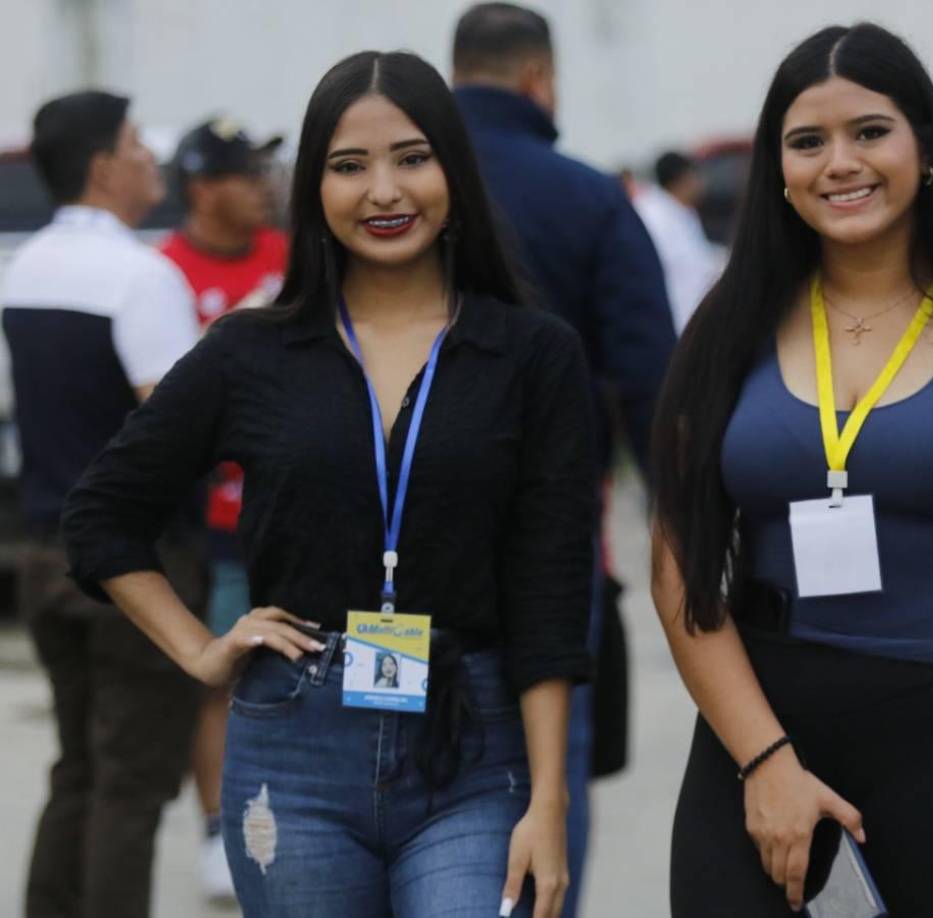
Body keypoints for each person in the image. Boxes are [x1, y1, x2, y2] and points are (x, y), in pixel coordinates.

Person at [61, 51, 594, 918]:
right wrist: (201, 649)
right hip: (292, 757)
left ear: (454, 170)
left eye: (412, 158)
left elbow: (552, 591)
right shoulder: (253, 352)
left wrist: (551, 799)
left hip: (472, 749)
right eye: (350, 167)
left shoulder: (533, 354)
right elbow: (102, 517)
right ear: (313, 186)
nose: (384, 190)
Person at [651, 23, 933, 918]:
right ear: (778, 168)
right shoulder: (722, 329)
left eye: (870, 132)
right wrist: (767, 763)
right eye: (808, 141)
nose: (839, 163)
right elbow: (679, 571)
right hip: (763, 735)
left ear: (926, 146)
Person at [452, 8, 676, 913]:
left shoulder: (390, 191)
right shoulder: (587, 198)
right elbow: (650, 371)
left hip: (393, 530)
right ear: (539, 78)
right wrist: (680, 522)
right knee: (553, 759)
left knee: (402, 747)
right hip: (550, 528)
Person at [0, 90, 205, 918]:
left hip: (43, 552)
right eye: (135, 144)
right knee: (132, 783)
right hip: (135, 569)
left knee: (78, 766)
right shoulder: (141, 275)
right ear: (101, 164)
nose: (150, 159)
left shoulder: (26, 268)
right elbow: (176, 427)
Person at [159, 115, 288, 903]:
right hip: (214, 527)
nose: (263, 189)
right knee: (221, 679)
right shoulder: (164, 272)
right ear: (205, 188)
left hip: (296, 510)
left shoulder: (287, 259)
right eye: (247, 176)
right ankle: (217, 829)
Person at [634, 151, 725, 332]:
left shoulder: (681, 210)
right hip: (674, 323)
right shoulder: (653, 217)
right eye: (697, 175)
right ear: (684, 178)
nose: (702, 182)